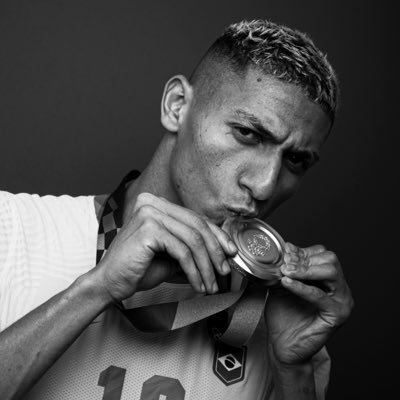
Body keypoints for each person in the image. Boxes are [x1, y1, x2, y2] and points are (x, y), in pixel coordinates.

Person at [0, 19, 354, 400]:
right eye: (248, 134)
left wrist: (292, 371)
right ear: (177, 106)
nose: (266, 184)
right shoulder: (12, 228)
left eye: (296, 160)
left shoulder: (287, 332)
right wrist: (96, 289)